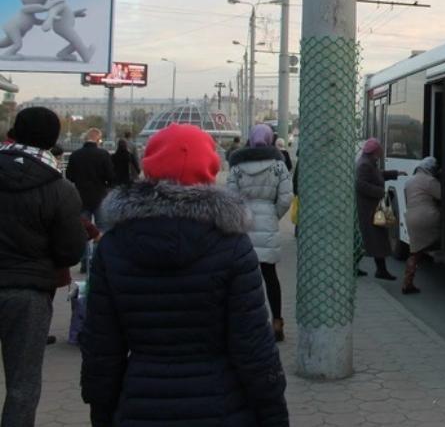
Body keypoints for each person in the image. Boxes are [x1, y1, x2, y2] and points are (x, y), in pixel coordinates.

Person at [80, 124, 288, 426]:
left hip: (140, 403)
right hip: (222, 404)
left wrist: (101, 411)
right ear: (210, 172)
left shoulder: (113, 246)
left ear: (148, 170)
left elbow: (101, 346)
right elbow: (253, 347)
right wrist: (273, 413)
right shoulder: (232, 245)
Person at [0, 107, 87, 425]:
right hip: (29, 294)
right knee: (22, 385)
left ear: (14, 132)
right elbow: (71, 252)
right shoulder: (59, 188)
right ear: (52, 141)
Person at [227, 124, 293, 342]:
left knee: (244, 279)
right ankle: (277, 322)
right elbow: (286, 198)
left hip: (243, 226)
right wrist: (272, 214)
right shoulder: (278, 165)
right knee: (270, 276)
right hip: (268, 223)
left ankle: (248, 325)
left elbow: (230, 198)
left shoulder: (237, 166)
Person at [355, 138, 404, 281]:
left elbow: (378, 175)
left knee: (377, 239)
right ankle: (378, 270)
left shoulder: (368, 162)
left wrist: (395, 173)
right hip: (371, 208)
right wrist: (380, 192)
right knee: (374, 239)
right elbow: (360, 185)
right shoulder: (365, 164)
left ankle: (380, 270)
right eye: (380, 149)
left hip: (375, 206)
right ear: (375, 150)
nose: (383, 152)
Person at [402, 157, 443, 294]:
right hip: (427, 218)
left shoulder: (409, 181)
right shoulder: (430, 181)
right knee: (440, 236)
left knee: (415, 252)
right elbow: (443, 196)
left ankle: (407, 282)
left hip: (410, 218)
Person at [66, 127, 116, 222]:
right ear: (98, 139)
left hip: (81, 196)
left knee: (84, 230)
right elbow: (110, 176)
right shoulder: (104, 154)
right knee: (103, 228)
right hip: (100, 196)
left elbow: (69, 176)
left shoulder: (75, 155)